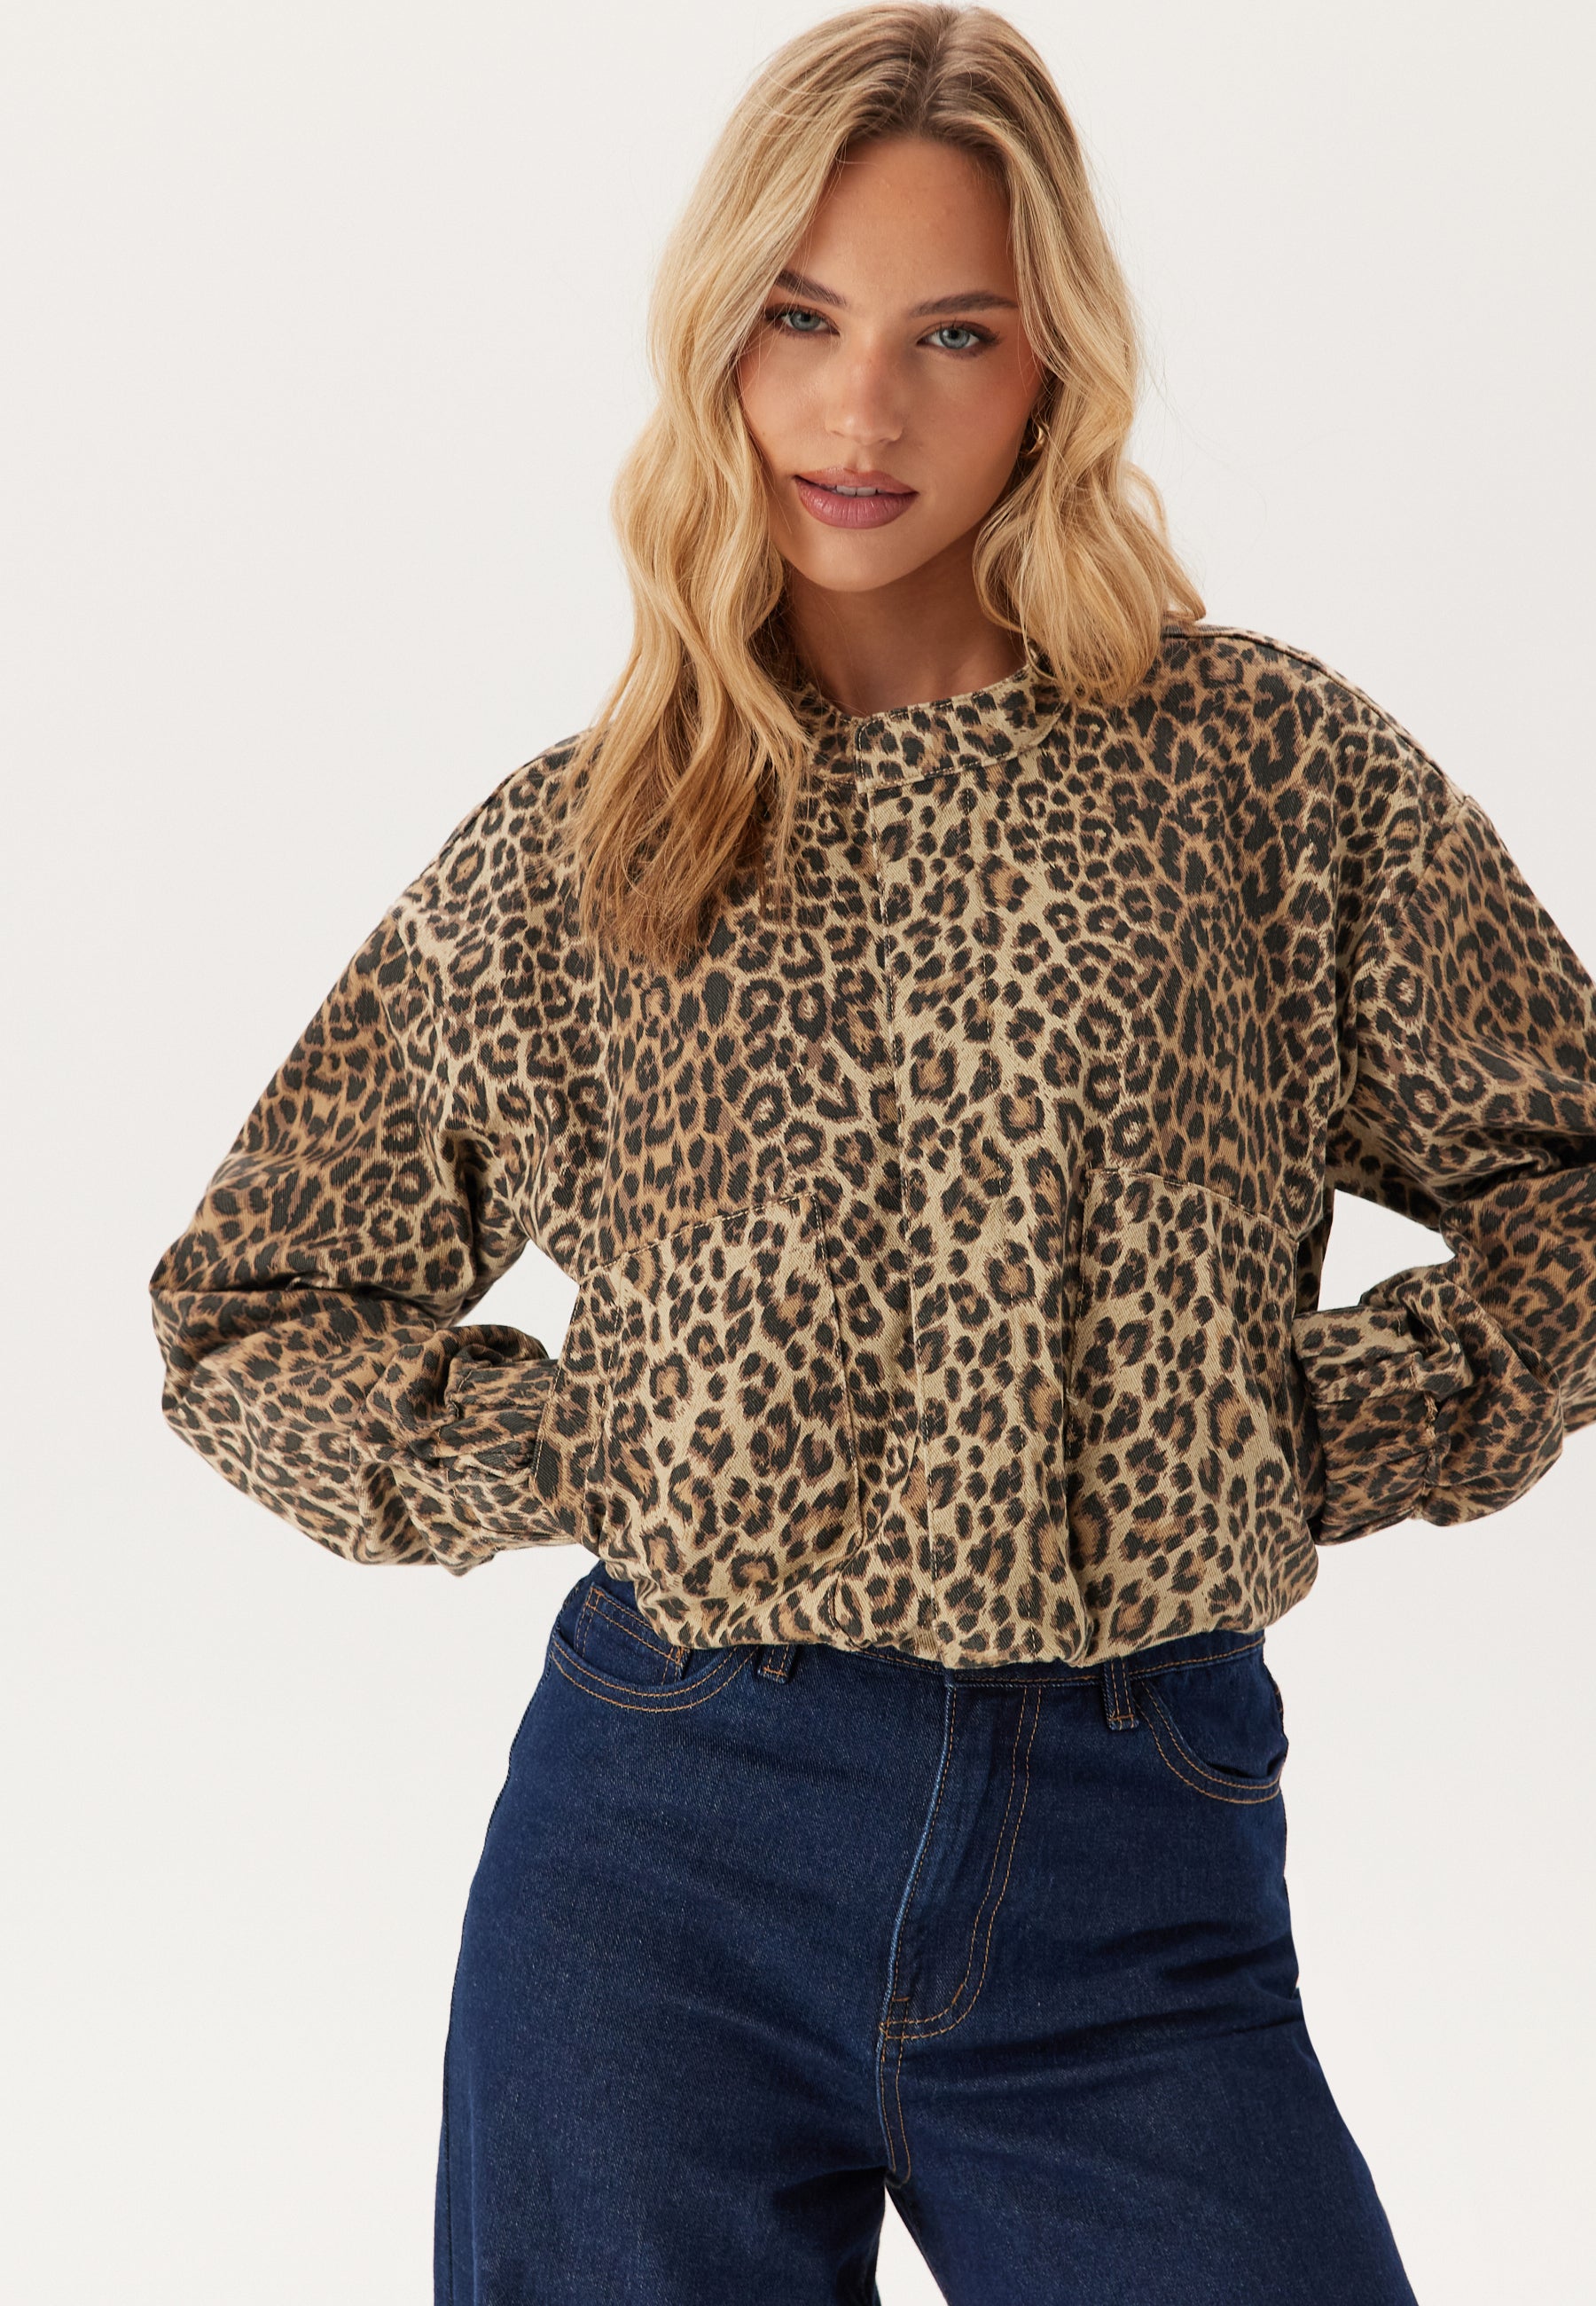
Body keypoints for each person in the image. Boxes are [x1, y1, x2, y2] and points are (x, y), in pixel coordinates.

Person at [147, 7, 1596, 2301]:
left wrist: (1316, 1416)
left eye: (953, 334)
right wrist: (596, 1445)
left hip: (1135, 1854)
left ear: (1053, 368)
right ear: (718, 339)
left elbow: (1572, 1176)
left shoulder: (1261, 777)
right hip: (664, 1854)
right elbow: (249, 1307)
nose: (862, 413)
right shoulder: (596, 842)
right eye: (802, 320)